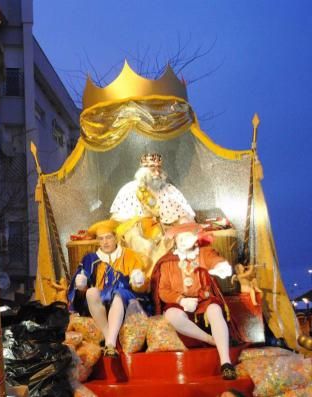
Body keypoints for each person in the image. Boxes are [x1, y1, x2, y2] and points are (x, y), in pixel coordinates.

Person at [153, 222, 238, 380]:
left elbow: (214, 260)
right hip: (180, 303)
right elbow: (163, 290)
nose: (184, 241)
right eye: (180, 238)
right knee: (171, 315)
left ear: (195, 238)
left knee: (215, 310)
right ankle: (211, 340)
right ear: (175, 241)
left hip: (203, 299)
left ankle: (226, 363)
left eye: (187, 237)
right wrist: (181, 300)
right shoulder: (167, 262)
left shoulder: (203, 253)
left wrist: (221, 266)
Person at [67, 219, 146, 357]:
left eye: (108, 237)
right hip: (100, 304)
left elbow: (140, 286)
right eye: (101, 239)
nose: (105, 242)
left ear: (116, 238)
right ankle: (109, 337)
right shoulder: (90, 259)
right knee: (91, 292)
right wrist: (82, 286)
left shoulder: (129, 255)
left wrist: (138, 281)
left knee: (118, 294)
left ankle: (110, 343)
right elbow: (81, 292)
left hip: (124, 300)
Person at [110, 153, 195, 267]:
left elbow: (184, 216)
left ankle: (163, 274)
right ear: (142, 170)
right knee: (137, 240)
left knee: (170, 240)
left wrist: (182, 223)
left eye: (158, 168)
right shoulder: (129, 189)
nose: (157, 173)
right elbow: (116, 219)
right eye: (152, 169)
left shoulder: (169, 190)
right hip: (138, 231)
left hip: (164, 230)